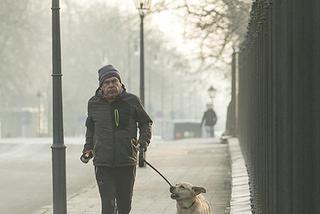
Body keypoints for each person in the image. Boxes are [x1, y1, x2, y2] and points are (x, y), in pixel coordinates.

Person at [80, 64, 152, 214]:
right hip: (103, 162)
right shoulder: (93, 103)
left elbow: (145, 122)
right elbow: (91, 129)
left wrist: (143, 142)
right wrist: (88, 148)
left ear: (120, 83)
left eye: (114, 81)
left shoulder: (131, 100)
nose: (111, 85)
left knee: (124, 206)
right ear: (101, 86)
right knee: (108, 205)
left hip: (126, 160)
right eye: (107, 83)